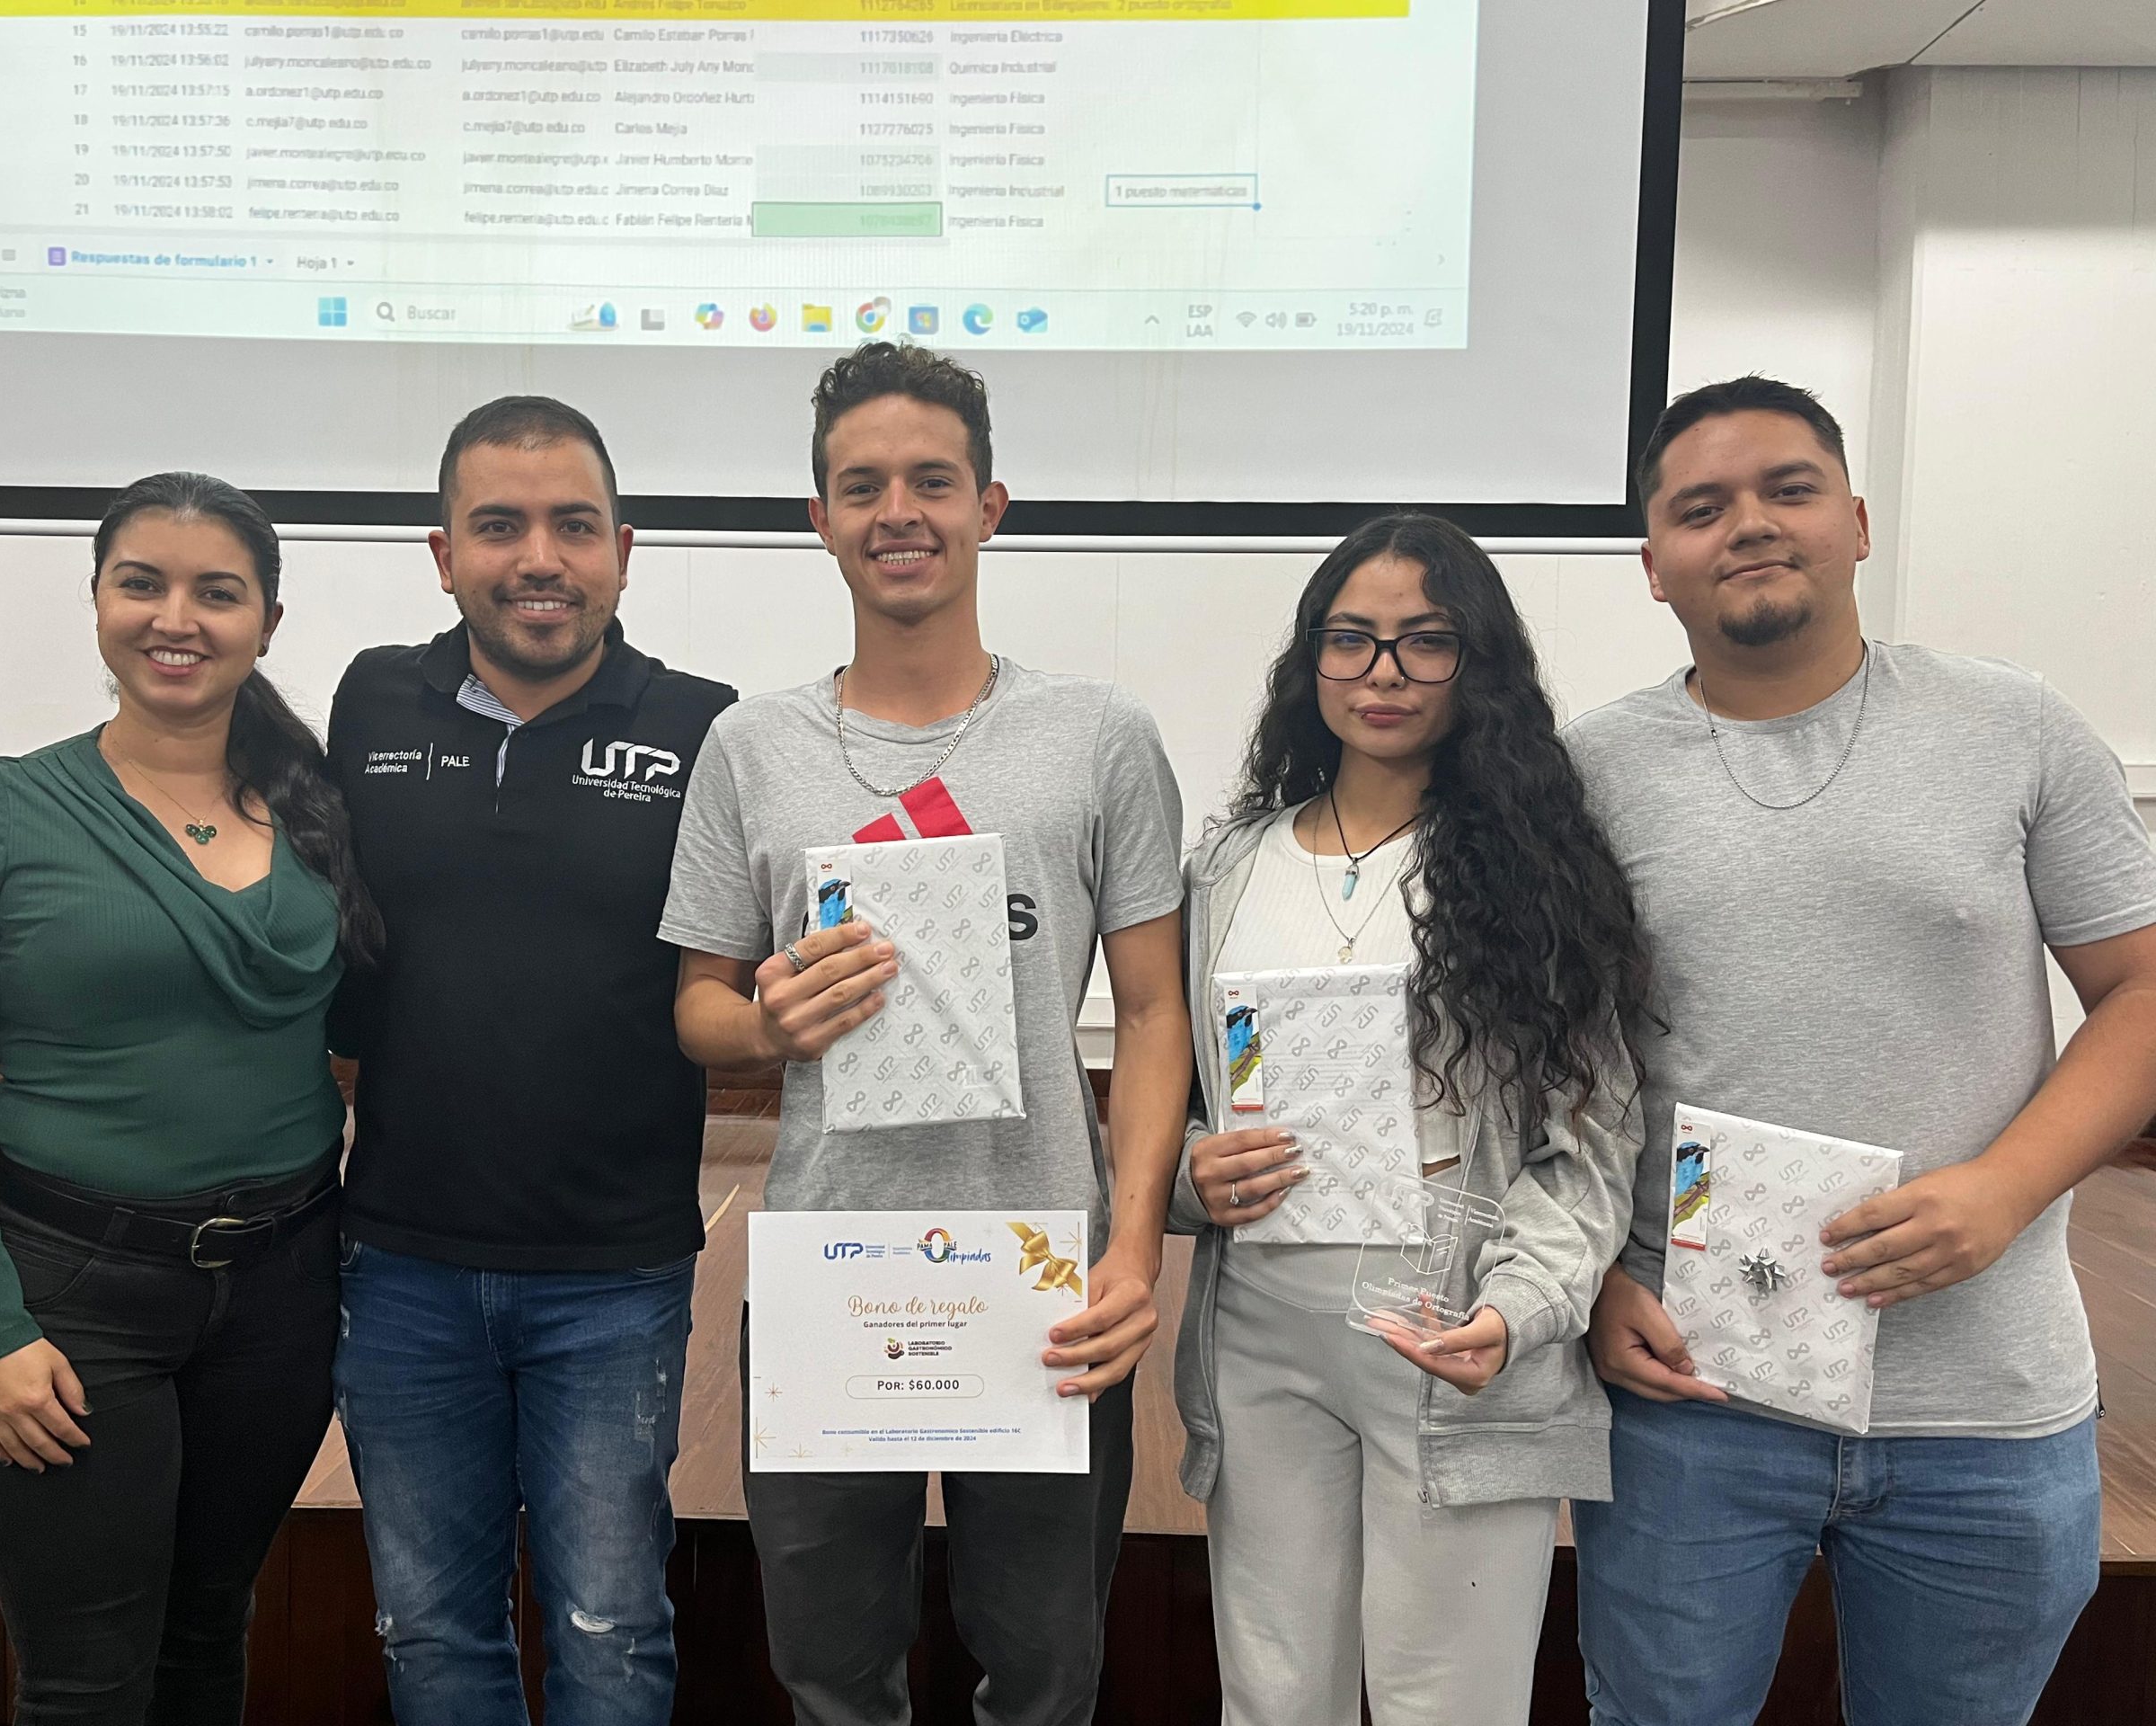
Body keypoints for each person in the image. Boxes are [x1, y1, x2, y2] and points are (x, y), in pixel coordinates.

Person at [1566, 376, 2156, 1726]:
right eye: (1702, 509)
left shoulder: (2015, 728)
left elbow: (2141, 994)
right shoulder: (1590, 772)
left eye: (1790, 489)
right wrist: (1592, 1277)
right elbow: (1553, 1068)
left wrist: (2002, 1191)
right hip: (1692, 1402)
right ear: (1655, 567)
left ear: (1859, 521)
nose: (1752, 526)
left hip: (1987, 1407)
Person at [659, 341, 1193, 1726]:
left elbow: (1149, 1012)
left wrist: (1132, 1244)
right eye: (862, 485)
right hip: (835, 1272)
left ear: (992, 505)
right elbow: (698, 1007)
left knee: (1046, 1666)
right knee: (829, 1668)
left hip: (1045, 1282)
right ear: (819, 519)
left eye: (932, 481)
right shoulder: (751, 747)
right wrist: (769, 1017)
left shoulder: (1099, 736)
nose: (899, 510)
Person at [0, 473, 377, 1724]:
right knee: (88, 1679)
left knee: (210, 1636)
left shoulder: (318, 817)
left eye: (218, 591)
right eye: (141, 582)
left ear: (266, 619)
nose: (176, 618)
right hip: (66, 1303)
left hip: (280, 1298)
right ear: (97, 600)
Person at [1167, 513, 1651, 1724]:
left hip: (1460, 1342)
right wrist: (1191, 1176)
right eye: (1353, 640)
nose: (1383, 672)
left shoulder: (1536, 873)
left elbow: (1589, 1140)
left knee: (1451, 1701)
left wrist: (1521, 1311)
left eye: (1425, 643)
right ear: (1310, 663)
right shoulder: (1226, 866)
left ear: (1476, 665)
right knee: (1273, 1692)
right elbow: (1173, 1110)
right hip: (1261, 1340)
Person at [323, 396, 735, 1726]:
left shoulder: (704, 728)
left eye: (572, 525)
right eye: (498, 527)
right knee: (431, 1635)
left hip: (614, 1275)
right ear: (442, 553)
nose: (537, 557)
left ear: (627, 549)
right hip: (399, 1269)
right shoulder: (371, 698)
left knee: (612, 1635)